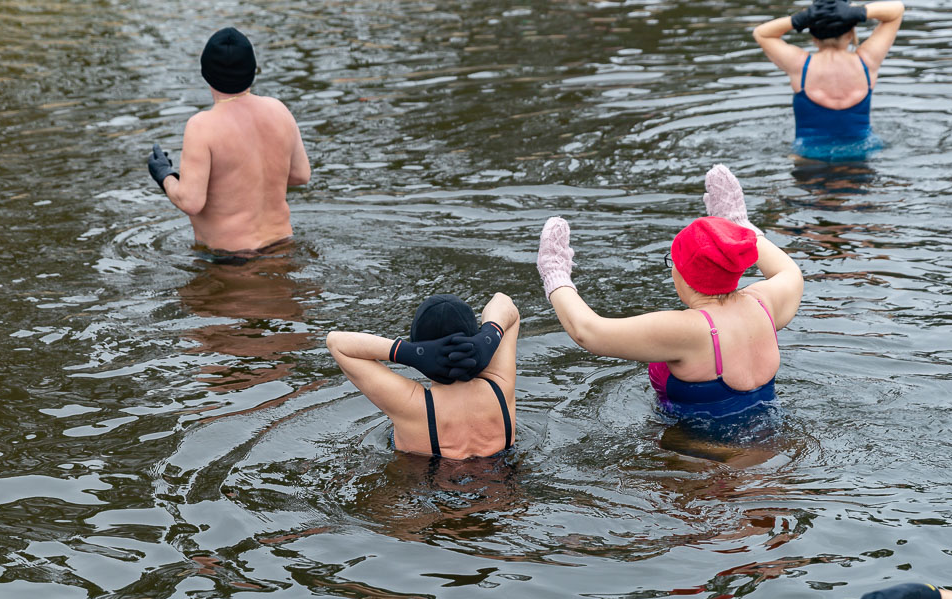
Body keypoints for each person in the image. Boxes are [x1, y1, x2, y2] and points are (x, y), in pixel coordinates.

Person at [537, 165, 803, 423]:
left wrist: (555, 274)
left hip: (703, 463)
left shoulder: (688, 330)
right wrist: (736, 227)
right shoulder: (763, 304)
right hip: (771, 442)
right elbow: (790, 272)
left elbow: (588, 332)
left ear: (682, 274)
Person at [146, 27, 311, 258]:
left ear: (206, 73)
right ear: (252, 70)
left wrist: (164, 175)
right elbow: (300, 175)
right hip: (283, 249)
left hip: (232, 260)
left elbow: (191, 202)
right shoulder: (278, 109)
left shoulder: (202, 126)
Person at [325, 293, 520, 460]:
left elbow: (336, 342)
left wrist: (410, 353)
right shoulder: (500, 386)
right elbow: (503, 301)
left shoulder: (411, 405)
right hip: (503, 491)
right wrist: (489, 335)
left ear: (420, 344)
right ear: (474, 337)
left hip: (431, 495)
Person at [753, 0, 905, 160]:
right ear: (850, 33)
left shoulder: (800, 66)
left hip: (808, 159)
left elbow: (761, 33)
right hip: (860, 158)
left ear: (813, 37)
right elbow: (896, 10)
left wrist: (804, 17)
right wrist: (855, 12)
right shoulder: (866, 62)